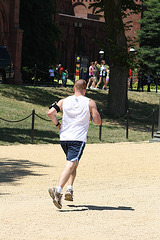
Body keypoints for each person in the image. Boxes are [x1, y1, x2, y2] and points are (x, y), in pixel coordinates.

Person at [47, 79, 101, 209]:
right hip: (77, 138)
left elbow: (50, 113)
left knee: (73, 163)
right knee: (71, 163)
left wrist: (58, 124)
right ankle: (58, 190)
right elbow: (97, 122)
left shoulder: (64, 101)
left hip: (64, 138)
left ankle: (69, 189)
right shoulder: (90, 102)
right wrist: (92, 116)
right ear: (85, 89)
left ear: (73, 89)